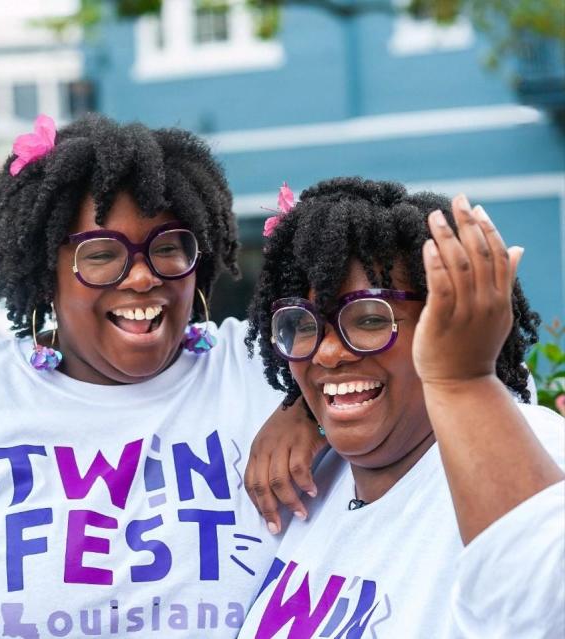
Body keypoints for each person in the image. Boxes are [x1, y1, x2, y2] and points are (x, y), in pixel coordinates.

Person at [0, 114, 324, 638]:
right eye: (101, 255)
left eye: (167, 247)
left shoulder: (264, 370)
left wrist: (311, 407)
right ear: (45, 270)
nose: (142, 276)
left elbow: (389, 361)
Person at [238, 177, 565, 638]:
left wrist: (466, 379)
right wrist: (299, 410)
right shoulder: (316, 480)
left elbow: (543, 605)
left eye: (370, 319)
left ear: (448, 324)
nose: (328, 353)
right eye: (304, 324)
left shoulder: (534, 449)